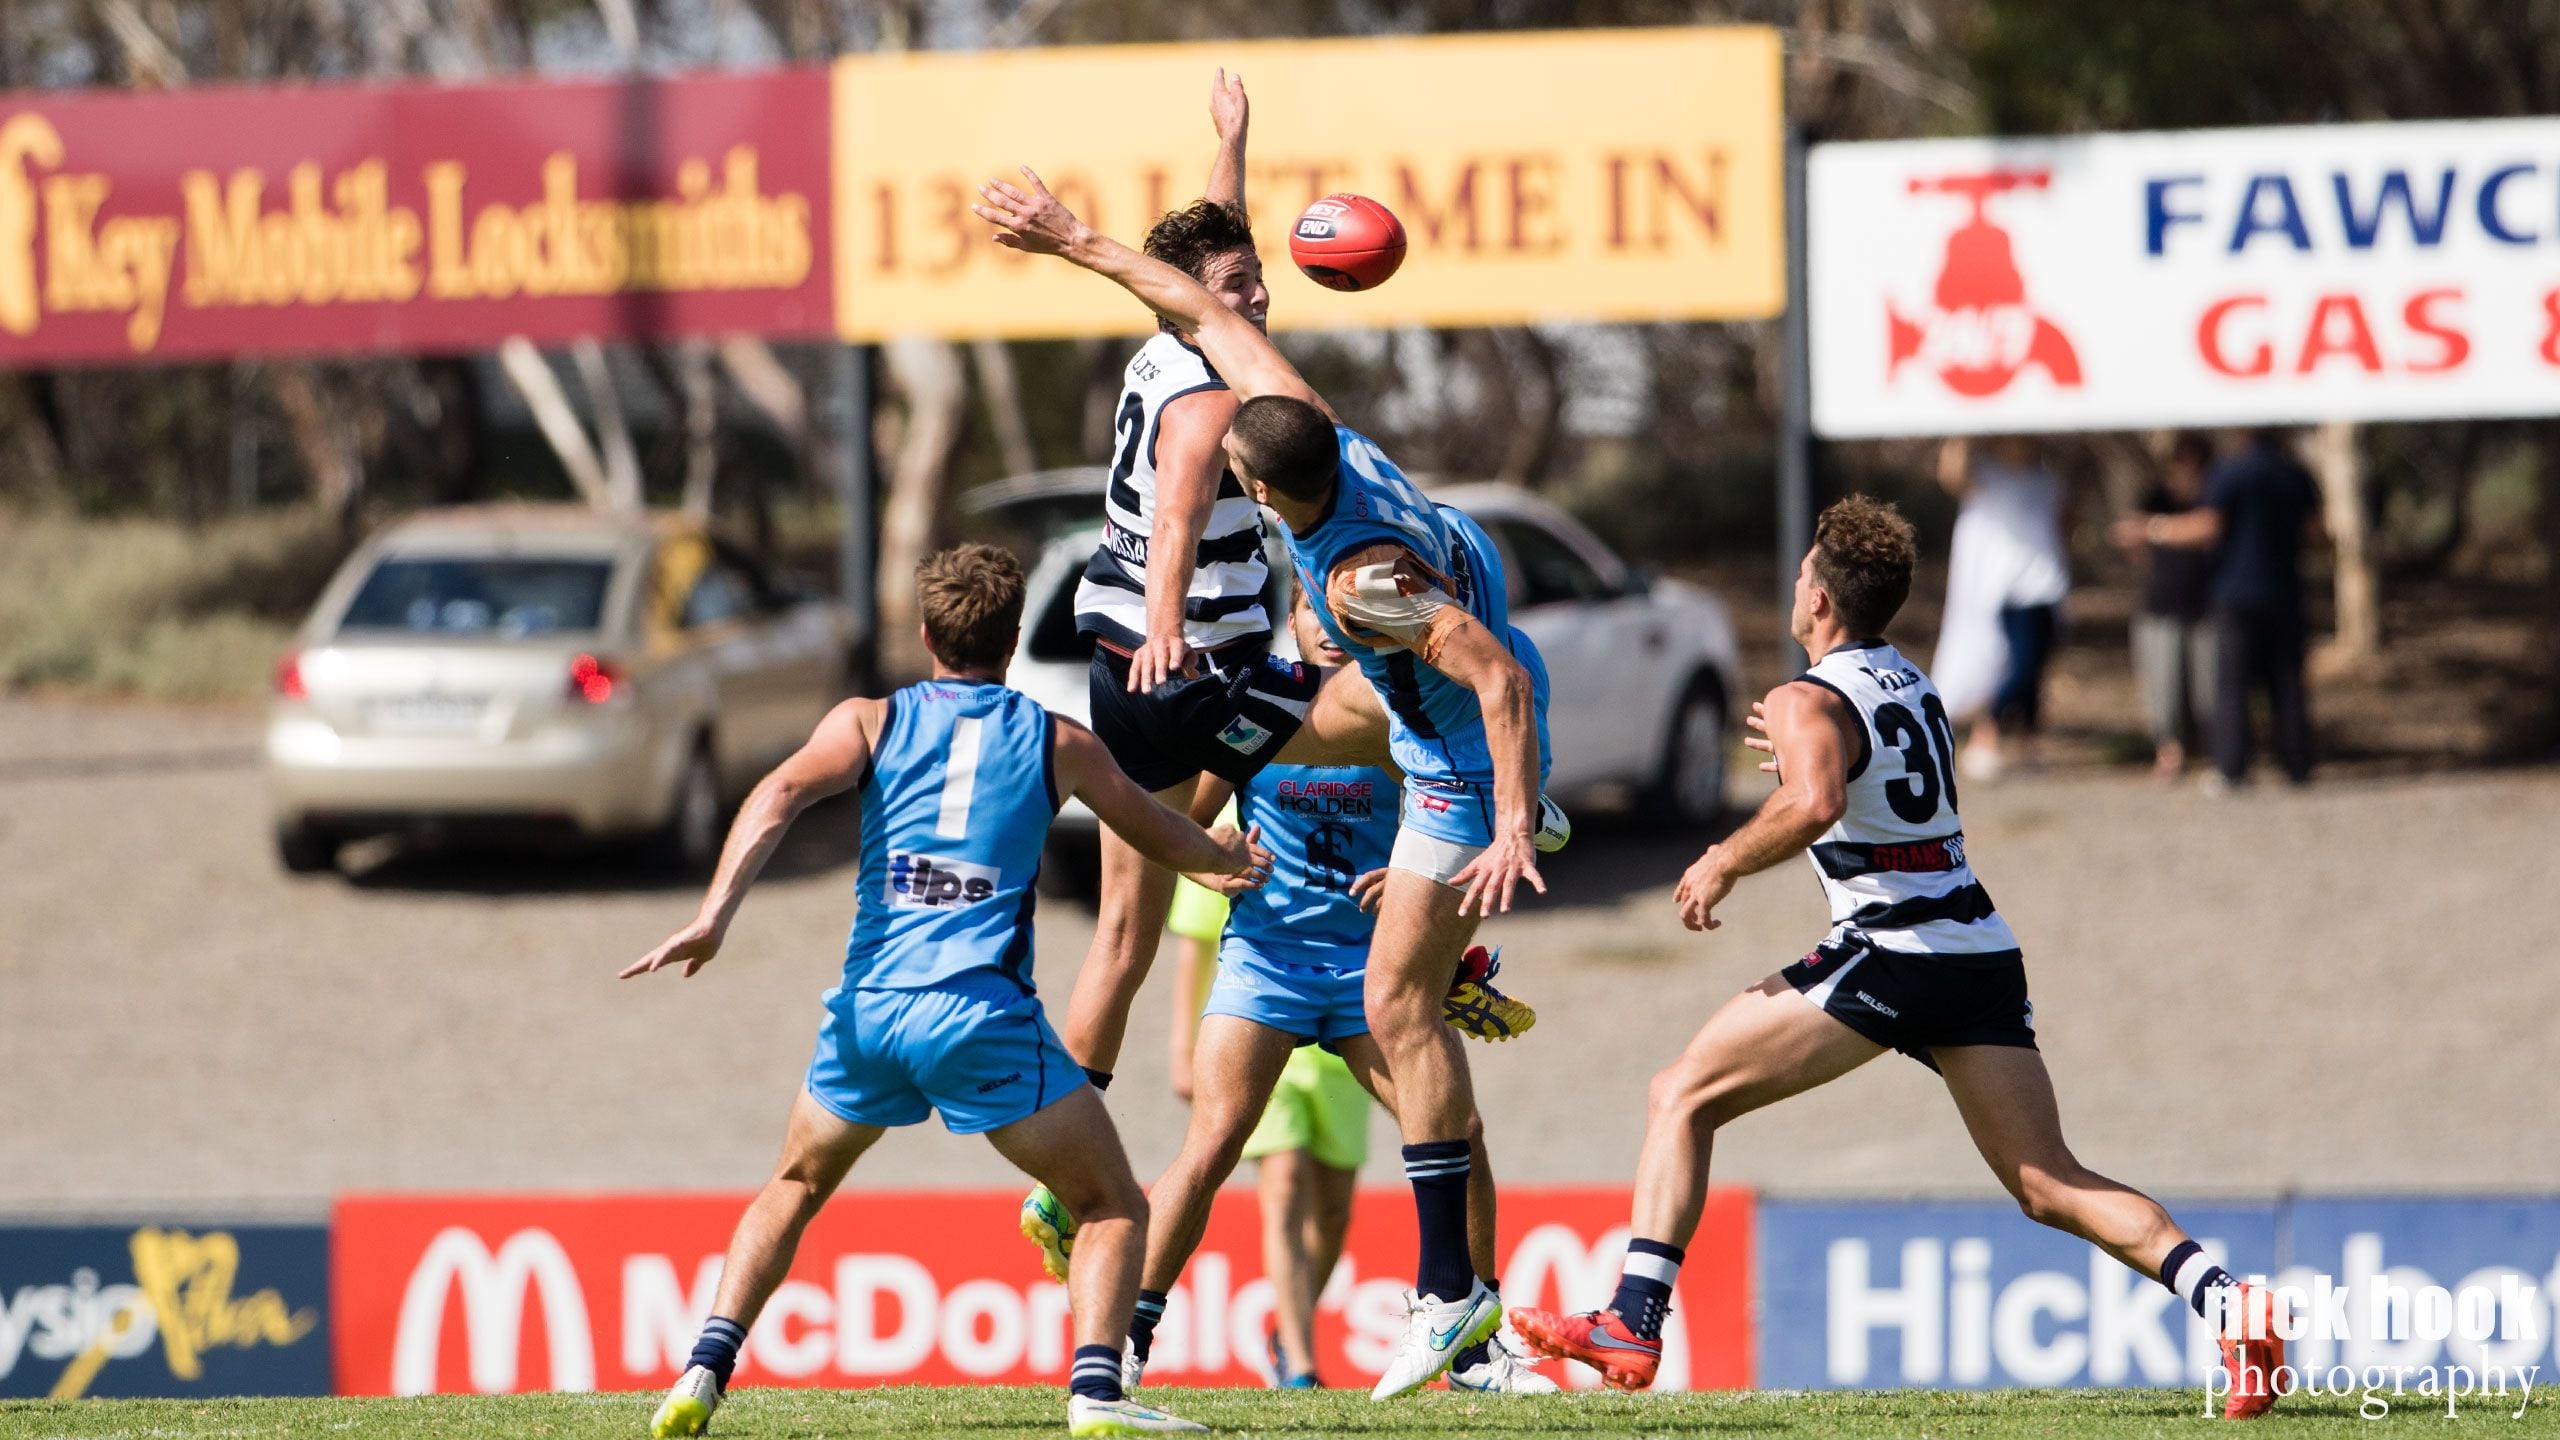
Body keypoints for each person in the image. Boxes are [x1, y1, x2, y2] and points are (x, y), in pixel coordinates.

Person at [1503, 497, 2288, 1421]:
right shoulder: (1910, 685)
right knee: (2048, 1182)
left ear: (1823, 601)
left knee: (1682, 1093)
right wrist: (1807, 761)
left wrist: (1723, 855)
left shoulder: (1807, 698)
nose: (1792, 587)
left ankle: (1632, 1322)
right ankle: (2234, 1305)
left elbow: (1818, 802)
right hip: (1977, 953)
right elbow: (1851, 781)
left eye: (1801, 576)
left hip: (1893, 952)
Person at [975, 168, 1559, 1399]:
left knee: (1405, 1019)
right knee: (1213, 1114)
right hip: (1270, 944)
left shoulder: (1350, 589)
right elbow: (1194, 299)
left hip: (1444, 759)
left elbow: (1492, 680)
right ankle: (1128, 1346)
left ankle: (1462, 1315)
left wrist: (1508, 819)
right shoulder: (1307, 420)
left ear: (1258, 487)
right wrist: (1100, 226)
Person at [624, 544, 1272, 1440]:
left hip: (871, 1014)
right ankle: (1095, 1396)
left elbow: (776, 793)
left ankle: (701, 1372)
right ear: (1011, 644)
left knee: (794, 1185)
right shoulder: (1058, 740)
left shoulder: (869, 721)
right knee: (1110, 1203)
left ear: (926, 635)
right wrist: (1220, 860)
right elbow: (1154, 826)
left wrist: (714, 915)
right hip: (981, 1022)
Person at [1024, 592, 1548, 1397]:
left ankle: (1473, 1352)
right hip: (1264, 964)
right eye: (1314, 616)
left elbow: (1448, 828)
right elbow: (1175, 832)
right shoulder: (1259, 719)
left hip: (1367, 974)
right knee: (1212, 1145)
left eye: (1344, 621)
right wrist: (1212, 861)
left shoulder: (1392, 718)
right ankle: (1124, 1345)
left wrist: (1408, 880)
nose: (1332, 632)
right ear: (1294, 623)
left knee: (1462, 1135)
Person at [2145, 429, 2323, 789]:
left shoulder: (2230, 472)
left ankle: (2231, 767)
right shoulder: (2295, 473)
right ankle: (2297, 765)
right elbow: (2315, 533)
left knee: (2232, 686)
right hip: (2285, 590)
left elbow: (2210, 525)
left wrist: (2155, 529)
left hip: (2236, 593)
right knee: (2288, 683)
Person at [1934, 436, 2071, 781]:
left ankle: (2028, 742)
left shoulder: (2047, 480)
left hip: (2047, 584)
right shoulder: (1988, 475)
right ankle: (1986, 733)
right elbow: (1951, 474)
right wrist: (1961, 429)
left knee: (2035, 669)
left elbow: (2064, 523)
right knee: (2019, 667)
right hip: (2010, 590)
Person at [2112, 434, 2220, 781]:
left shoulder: (2214, 497)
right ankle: (2170, 751)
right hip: (2160, 607)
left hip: (2206, 606)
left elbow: (2208, 529)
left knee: (2208, 689)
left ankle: (2210, 748)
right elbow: (2129, 538)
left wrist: (2156, 529)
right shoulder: (2154, 496)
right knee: (2164, 689)